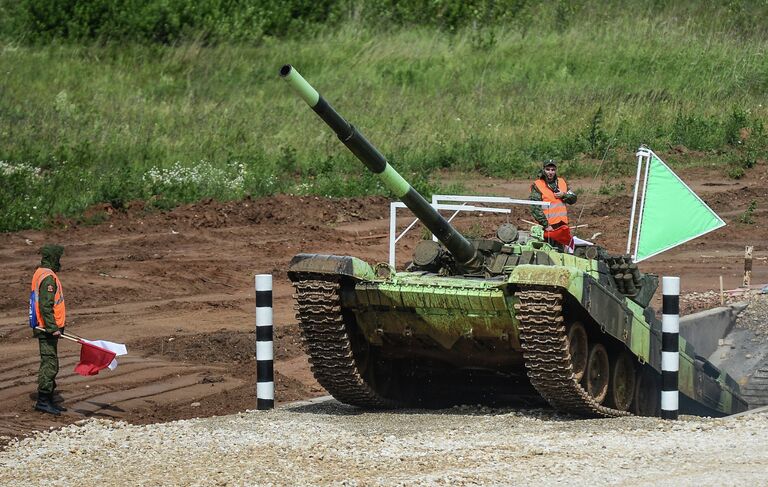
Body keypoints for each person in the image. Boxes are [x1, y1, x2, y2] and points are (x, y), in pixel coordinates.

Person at [29, 244, 67, 415]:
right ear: (53, 258)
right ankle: (43, 401)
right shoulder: (48, 278)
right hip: (46, 329)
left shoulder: (40, 272)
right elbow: (46, 306)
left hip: (45, 327)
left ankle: (49, 399)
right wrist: (53, 328)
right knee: (50, 364)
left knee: (52, 363)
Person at [529, 160, 577, 248]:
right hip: (547, 226)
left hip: (562, 225)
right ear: (543, 170)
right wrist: (546, 225)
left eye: (553, 170)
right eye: (548, 169)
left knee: (560, 251)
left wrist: (564, 195)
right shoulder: (538, 185)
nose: (550, 172)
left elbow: (573, 198)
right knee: (547, 250)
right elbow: (535, 207)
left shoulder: (562, 182)